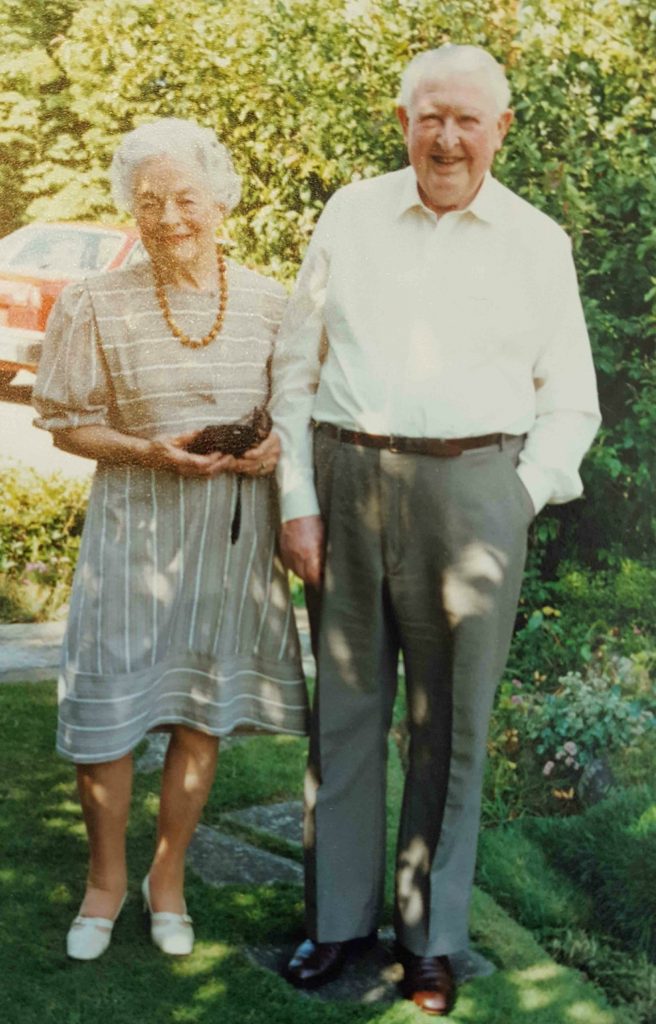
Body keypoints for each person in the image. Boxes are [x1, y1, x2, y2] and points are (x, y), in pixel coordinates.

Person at [270, 44, 600, 1015]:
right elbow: (294, 366)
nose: (445, 137)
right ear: (403, 120)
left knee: (450, 725)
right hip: (346, 477)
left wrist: (517, 496)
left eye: (466, 118)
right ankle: (335, 921)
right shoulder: (350, 213)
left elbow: (569, 400)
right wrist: (297, 495)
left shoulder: (536, 242)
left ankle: (430, 938)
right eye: (429, 116)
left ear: (500, 128)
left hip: (474, 490)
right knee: (344, 710)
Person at [32, 118, 307, 961]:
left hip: (228, 537)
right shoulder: (91, 302)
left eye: (186, 197)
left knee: (200, 713)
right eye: (148, 202)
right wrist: (142, 451)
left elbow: (297, 409)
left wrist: (276, 446)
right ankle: (105, 882)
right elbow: (64, 422)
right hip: (132, 529)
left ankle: (168, 878)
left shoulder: (270, 300)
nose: (169, 216)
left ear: (221, 199)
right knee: (107, 715)